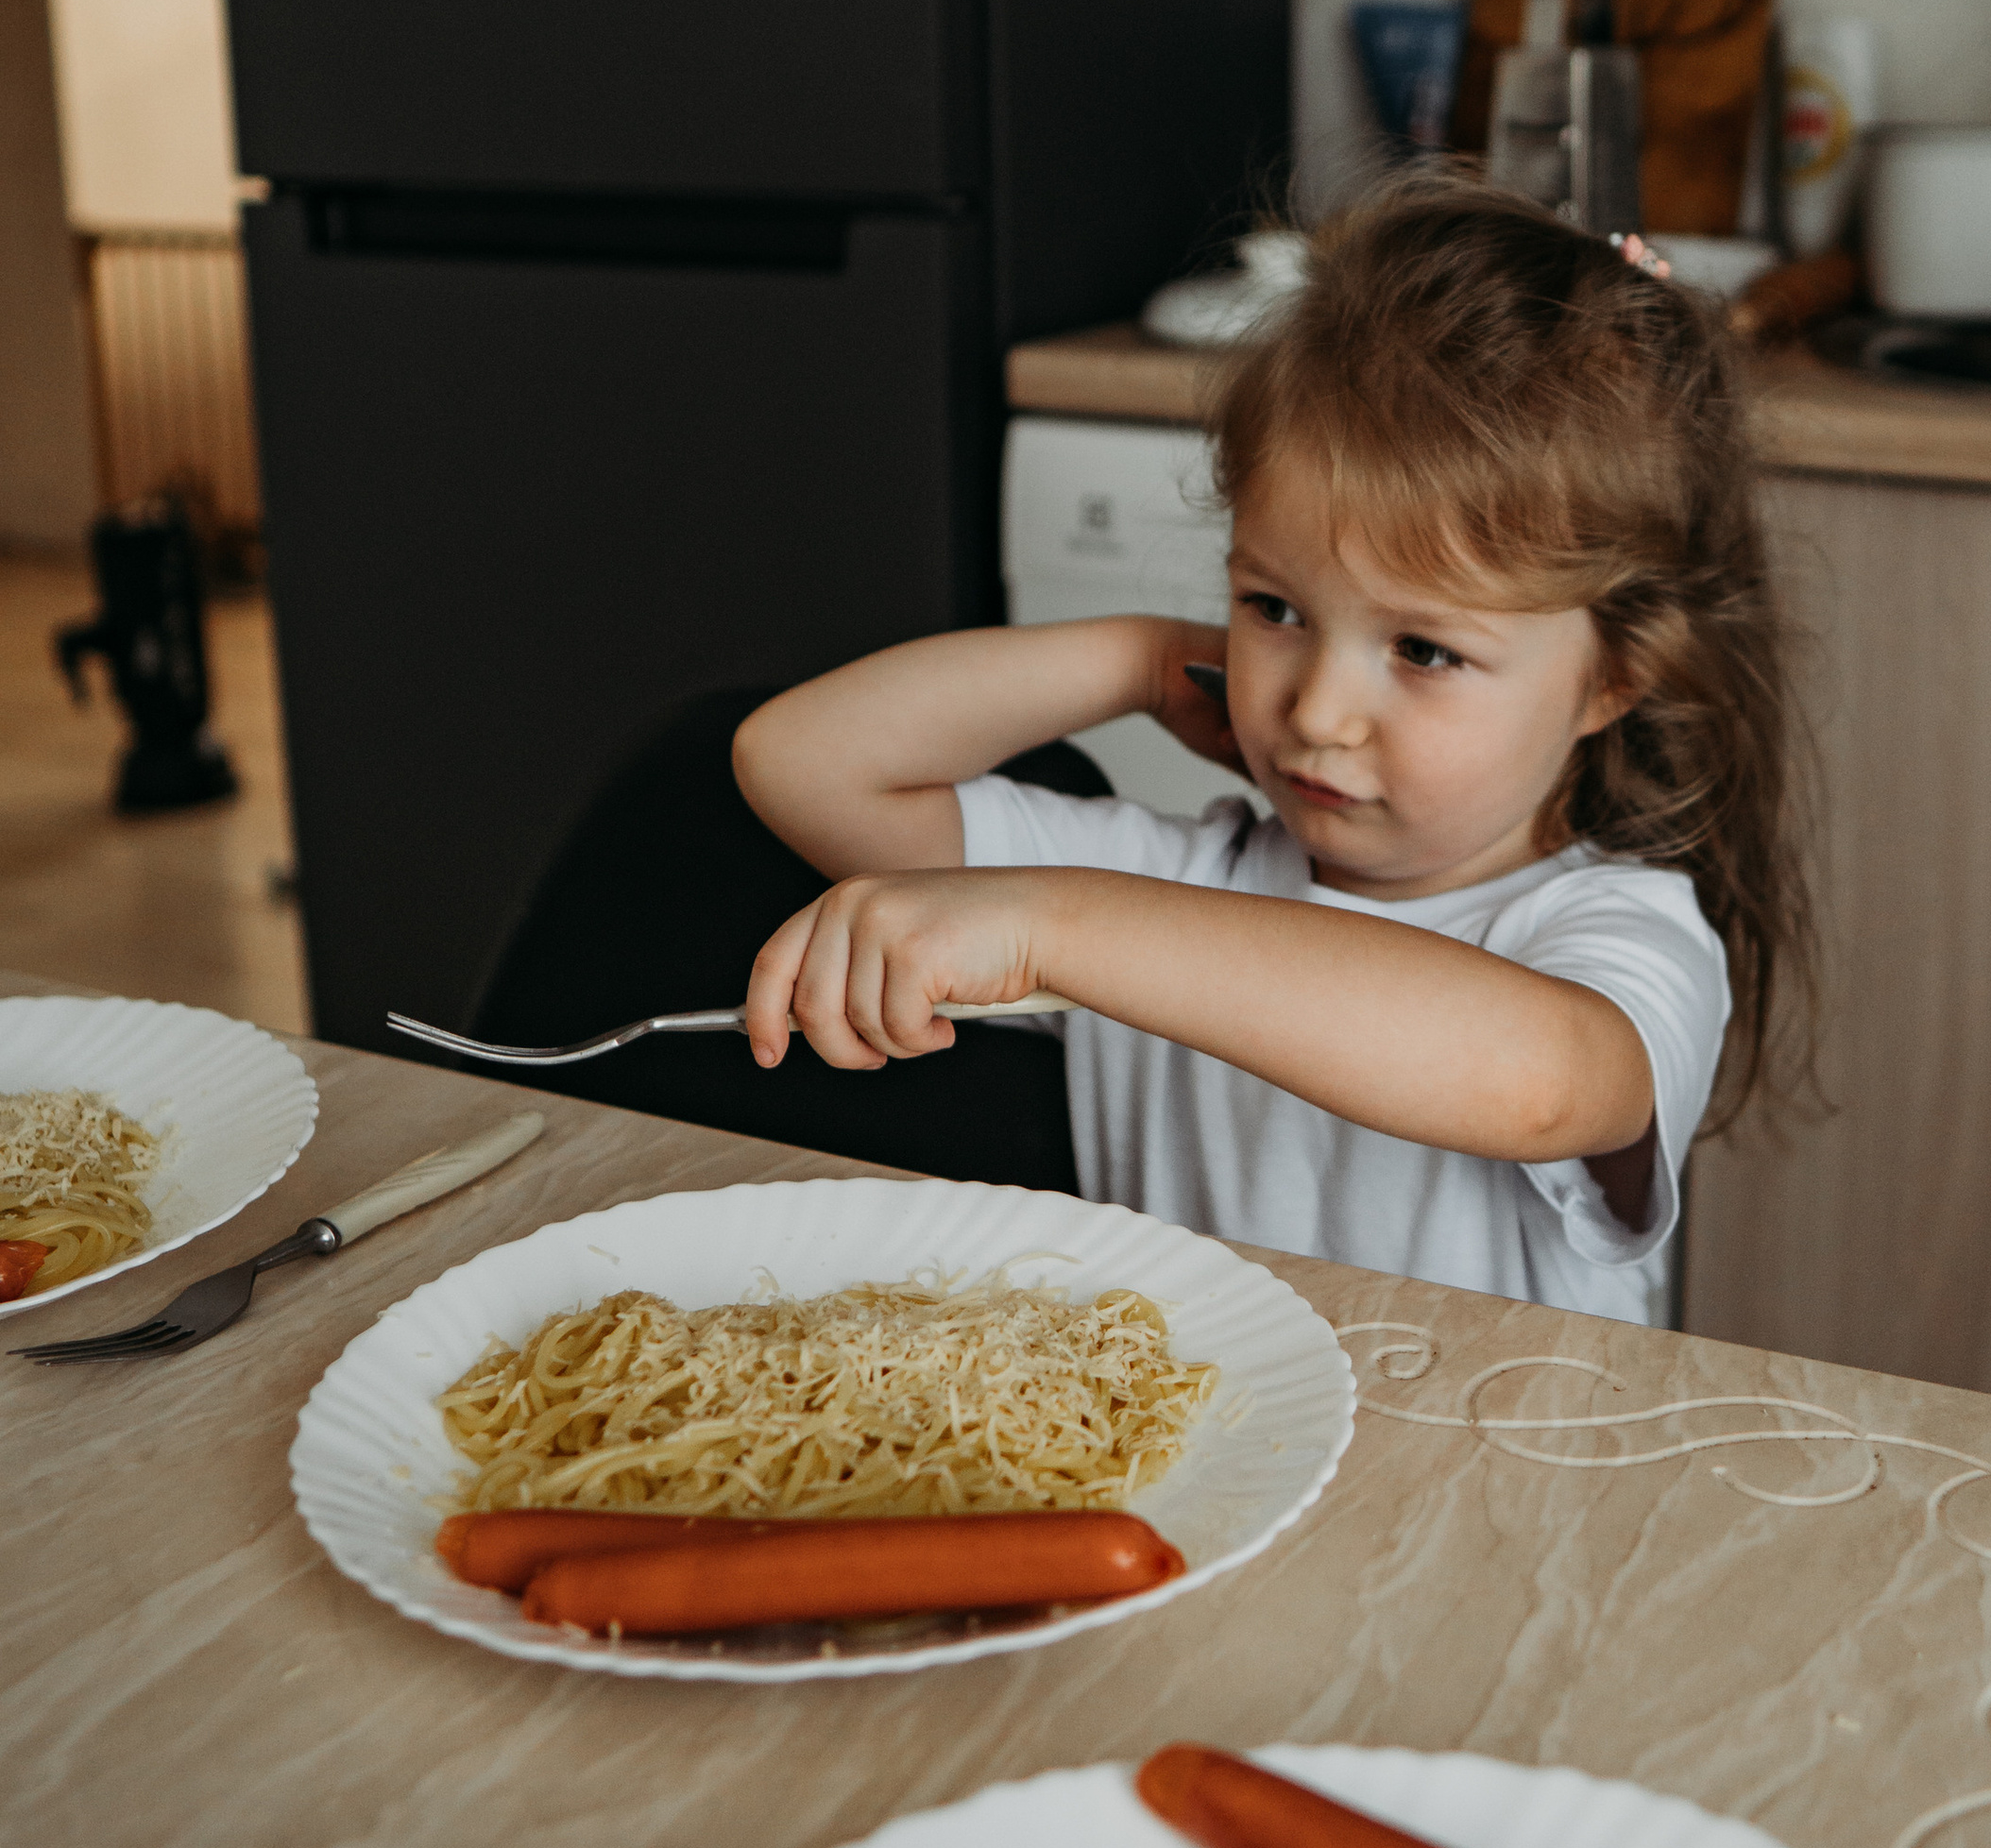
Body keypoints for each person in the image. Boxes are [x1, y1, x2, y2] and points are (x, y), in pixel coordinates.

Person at [734, 176, 1812, 1321]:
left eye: (1424, 650)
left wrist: (1050, 926)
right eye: (1275, 610)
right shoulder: (1167, 889)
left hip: (1484, 1498)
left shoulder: (1617, 928)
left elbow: (1542, 1084)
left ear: (1611, 679)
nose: (1316, 711)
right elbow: (796, 757)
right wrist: (1144, 659)